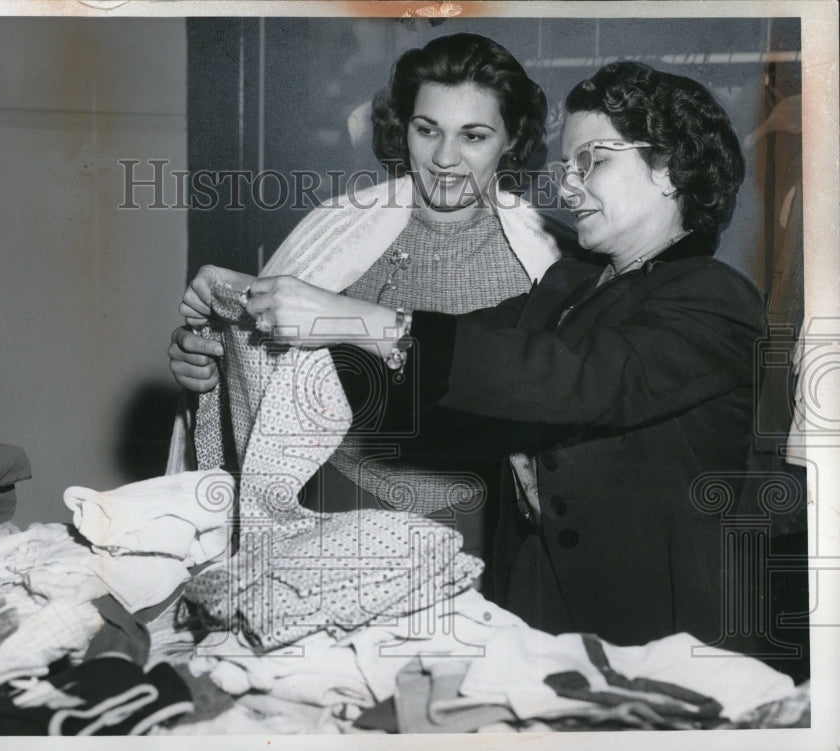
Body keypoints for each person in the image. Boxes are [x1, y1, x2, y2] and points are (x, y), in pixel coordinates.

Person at [181, 61, 765, 651]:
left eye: (593, 160)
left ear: (668, 166)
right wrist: (248, 313)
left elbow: (564, 376)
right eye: (567, 165)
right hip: (539, 607)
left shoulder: (715, 296)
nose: (566, 186)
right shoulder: (572, 286)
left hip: (663, 630)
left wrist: (345, 317)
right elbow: (442, 359)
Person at [169, 33, 569, 566]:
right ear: (403, 127)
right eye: (427, 130)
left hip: (491, 529)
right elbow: (267, 377)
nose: (445, 158)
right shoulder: (337, 232)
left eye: (473, 136)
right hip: (338, 513)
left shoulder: (551, 258)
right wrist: (208, 361)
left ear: (511, 139)